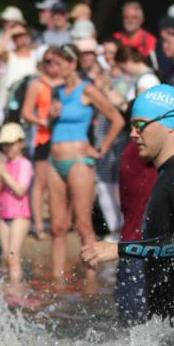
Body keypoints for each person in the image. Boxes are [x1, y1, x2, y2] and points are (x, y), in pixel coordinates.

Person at [81, 84, 174, 346]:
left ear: (169, 126)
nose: (133, 134)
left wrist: (120, 249)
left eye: (141, 125)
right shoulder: (171, 173)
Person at [46, 44, 125, 282]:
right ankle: (58, 282)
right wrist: (50, 117)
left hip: (80, 160)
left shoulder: (87, 90)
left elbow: (117, 119)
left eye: (59, 63)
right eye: (52, 63)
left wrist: (100, 149)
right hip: (54, 160)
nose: (54, 68)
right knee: (58, 228)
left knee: (83, 224)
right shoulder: (56, 91)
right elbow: (52, 127)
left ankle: (91, 284)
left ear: (72, 64)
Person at [21, 52, 62, 238]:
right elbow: (26, 113)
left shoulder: (66, 82)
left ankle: (59, 221)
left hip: (63, 138)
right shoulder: (37, 85)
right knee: (40, 182)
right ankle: (38, 225)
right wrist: (42, 121)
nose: (52, 65)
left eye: (56, 61)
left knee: (61, 181)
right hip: (44, 138)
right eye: (48, 62)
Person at [0, 123, 33, 293]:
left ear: (21, 143)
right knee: (5, 255)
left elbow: (20, 190)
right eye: (5, 145)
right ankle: (10, 285)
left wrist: (3, 173)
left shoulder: (24, 164)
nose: (8, 148)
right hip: (4, 215)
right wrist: (1, 175)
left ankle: (16, 288)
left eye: (11, 143)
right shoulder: (2, 166)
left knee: (13, 255)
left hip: (20, 216)